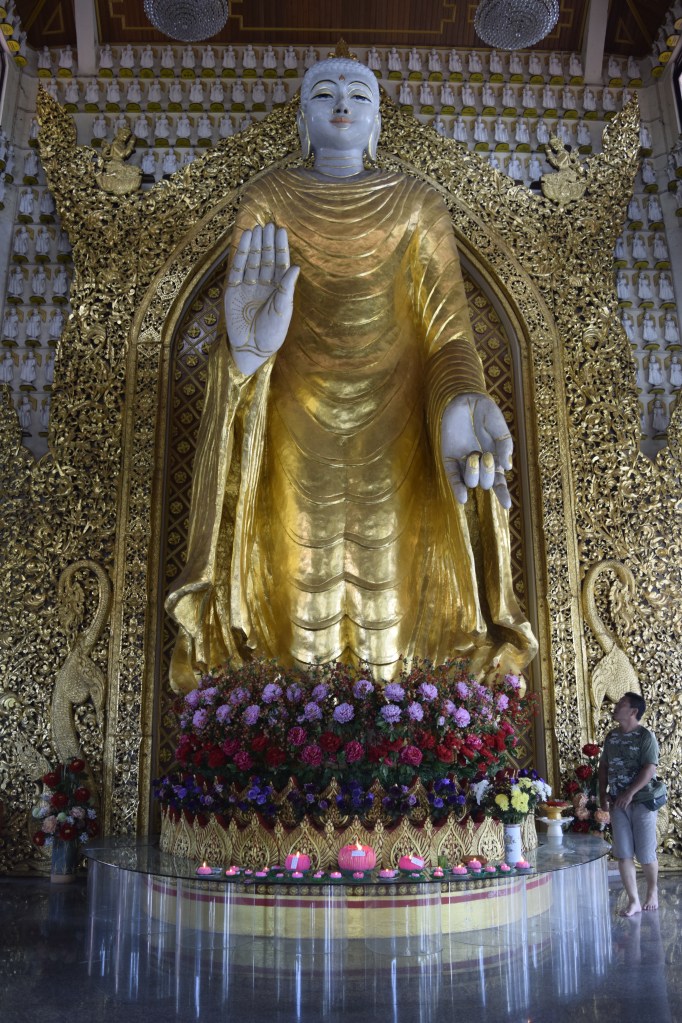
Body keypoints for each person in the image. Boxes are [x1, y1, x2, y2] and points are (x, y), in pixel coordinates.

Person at [165, 53, 536, 692]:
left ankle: (403, 742)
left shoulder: (418, 203)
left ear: (377, 122)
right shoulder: (269, 198)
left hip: (396, 428)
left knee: (387, 601)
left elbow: (449, 332)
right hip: (290, 416)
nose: (342, 103)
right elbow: (246, 312)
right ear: (304, 122)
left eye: (359, 94)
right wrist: (247, 356)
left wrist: (462, 400)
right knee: (294, 588)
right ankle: (285, 745)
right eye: (325, 94)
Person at [599, 692, 665, 916]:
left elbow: (649, 769)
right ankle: (634, 900)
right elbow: (604, 767)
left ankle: (652, 891)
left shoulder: (645, 736)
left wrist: (630, 793)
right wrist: (602, 795)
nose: (615, 707)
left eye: (621, 704)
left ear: (633, 711)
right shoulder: (611, 737)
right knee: (623, 853)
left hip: (642, 802)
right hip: (618, 804)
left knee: (646, 854)